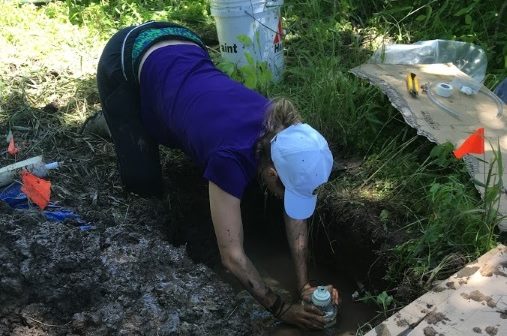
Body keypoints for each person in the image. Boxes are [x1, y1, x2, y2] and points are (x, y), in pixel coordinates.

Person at [96, 21, 339, 330]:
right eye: (286, 190)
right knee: (144, 182)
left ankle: (140, 120)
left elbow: (296, 213)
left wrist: (305, 285)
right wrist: (282, 309)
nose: (287, 199)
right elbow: (233, 257)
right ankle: (112, 123)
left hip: (185, 41)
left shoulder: (283, 134)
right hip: (128, 53)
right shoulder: (230, 157)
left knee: (171, 120)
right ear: (271, 172)